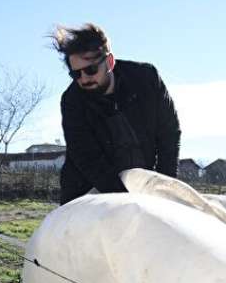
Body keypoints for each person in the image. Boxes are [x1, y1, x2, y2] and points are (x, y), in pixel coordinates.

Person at [50, 23, 181, 204]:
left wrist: (165, 188)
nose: (84, 79)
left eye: (91, 70)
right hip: (88, 192)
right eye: (76, 74)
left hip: (141, 181)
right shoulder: (72, 101)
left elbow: (169, 133)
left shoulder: (146, 79)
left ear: (109, 62)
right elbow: (88, 158)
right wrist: (127, 200)